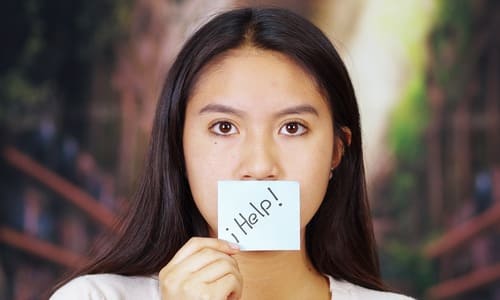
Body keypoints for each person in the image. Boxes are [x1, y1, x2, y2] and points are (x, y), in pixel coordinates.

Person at [51, 7, 414, 300]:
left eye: (292, 127)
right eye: (224, 127)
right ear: (178, 147)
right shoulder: (92, 296)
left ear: (336, 151)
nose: (259, 167)